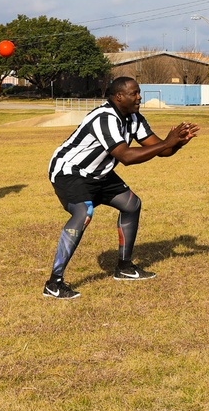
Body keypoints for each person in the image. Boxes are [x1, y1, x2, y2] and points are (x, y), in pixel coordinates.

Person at [43, 77, 199, 300]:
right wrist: (167, 142)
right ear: (119, 97)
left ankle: (124, 268)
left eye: (139, 93)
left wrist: (177, 143)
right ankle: (54, 283)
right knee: (83, 212)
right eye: (134, 93)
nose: (139, 97)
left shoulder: (134, 118)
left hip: (100, 173)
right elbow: (125, 156)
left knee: (131, 204)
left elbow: (159, 150)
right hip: (70, 172)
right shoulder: (104, 118)